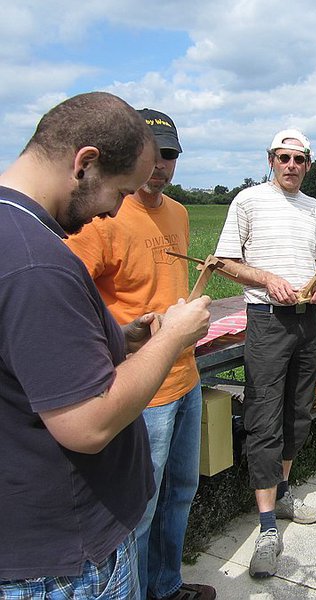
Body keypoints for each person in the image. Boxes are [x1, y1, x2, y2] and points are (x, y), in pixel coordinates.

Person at [0, 92, 210, 599]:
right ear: (85, 163)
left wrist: (120, 337)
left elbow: (36, 350)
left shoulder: (16, 233)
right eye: (119, 191)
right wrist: (176, 336)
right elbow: (88, 424)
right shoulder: (38, 262)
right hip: (65, 563)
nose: (115, 209)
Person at [65, 109, 215, 600]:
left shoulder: (180, 212)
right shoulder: (104, 217)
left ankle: (166, 586)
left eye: (169, 154)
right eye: (151, 154)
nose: (160, 165)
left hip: (186, 377)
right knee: (139, 507)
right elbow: (70, 300)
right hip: (140, 388)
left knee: (181, 493)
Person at [214, 129, 316, 578]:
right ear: (270, 159)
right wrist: (266, 279)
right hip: (266, 321)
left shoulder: (314, 208)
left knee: (298, 413)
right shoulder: (248, 202)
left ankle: (283, 493)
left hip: (306, 319)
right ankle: (266, 528)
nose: (291, 166)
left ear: (308, 164)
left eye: (299, 159)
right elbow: (224, 261)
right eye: (283, 158)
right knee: (264, 415)